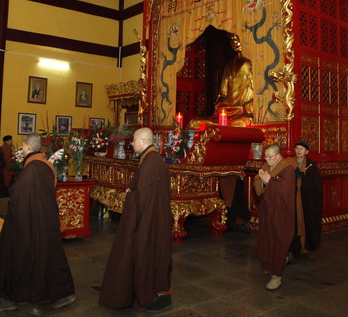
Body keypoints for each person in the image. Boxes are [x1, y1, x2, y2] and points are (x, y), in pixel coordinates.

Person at [0, 133, 75, 312]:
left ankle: (16, 296)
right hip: (47, 219)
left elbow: (18, 197)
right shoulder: (46, 164)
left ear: (27, 147)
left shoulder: (31, 170)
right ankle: (60, 293)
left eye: (22, 146)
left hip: (29, 219)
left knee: (18, 254)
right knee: (49, 255)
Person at [99, 127, 173, 313]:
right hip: (154, 217)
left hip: (149, 219)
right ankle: (148, 291)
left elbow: (143, 197)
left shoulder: (150, 163)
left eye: (133, 140)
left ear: (143, 141)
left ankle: (158, 294)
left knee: (149, 252)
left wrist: (130, 195)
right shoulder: (150, 159)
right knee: (152, 253)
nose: (131, 143)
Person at [253, 144, 295, 291]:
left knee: (279, 240)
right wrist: (264, 181)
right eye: (266, 156)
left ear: (278, 156)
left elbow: (285, 189)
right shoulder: (266, 165)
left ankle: (276, 276)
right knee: (267, 239)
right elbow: (257, 181)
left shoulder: (287, 169)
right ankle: (270, 265)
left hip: (281, 212)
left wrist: (269, 181)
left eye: (270, 157)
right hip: (267, 210)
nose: (268, 159)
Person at [189, 55, 254, 129]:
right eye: (233, 42)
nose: (236, 43)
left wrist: (243, 109)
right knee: (194, 123)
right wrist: (221, 106)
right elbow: (223, 95)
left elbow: (259, 99)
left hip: (243, 115)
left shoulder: (254, 64)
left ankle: (221, 129)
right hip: (228, 114)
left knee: (246, 122)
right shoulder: (229, 66)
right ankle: (221, 128)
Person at [286, 140, 323, 262]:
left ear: (306, 152)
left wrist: (302, 177)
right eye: (297, 148)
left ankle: (307, 249)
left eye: (301, 149)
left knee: (307, 222)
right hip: (293, 199)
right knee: (293, 223)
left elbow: (316, 185)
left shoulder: (311, 166)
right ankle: (292, 250)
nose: (298, 151)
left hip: (307, 201)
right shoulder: (289, 162)